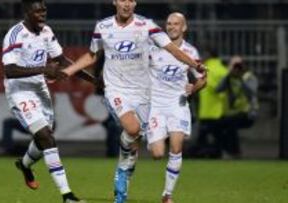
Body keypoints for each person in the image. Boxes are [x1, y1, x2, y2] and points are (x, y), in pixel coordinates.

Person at [61, 1, 205, 202]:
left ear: (135, 3)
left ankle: (122, 179)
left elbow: (172, 49)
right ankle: (125, 167)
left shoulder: (147, 26)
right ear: (115, 2)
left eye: (130, 0)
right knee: (131, 127)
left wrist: (195, 65)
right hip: (116, 89)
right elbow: (92, 55)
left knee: (135, 140)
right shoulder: (103, 26)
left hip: (144, 93)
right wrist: (69, 71)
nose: (126, 4)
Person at [1, 0, 93, 202]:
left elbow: (62, 61)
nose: (42, 14)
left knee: (44, 138)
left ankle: (24, 165)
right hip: (20, 91)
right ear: (26, 12)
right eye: (38, 11)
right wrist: (44, 69)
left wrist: (94, 80)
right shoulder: (14, 35)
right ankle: (67, 196)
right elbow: (9, 70)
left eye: (44, 10)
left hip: (40, 89)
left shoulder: (46, 32)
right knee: (46, 137)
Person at [147, 12, 206, 203]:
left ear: (184, 27)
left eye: (176, 24)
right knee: (157, 154)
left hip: (177, 104)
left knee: (176, 147)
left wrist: (194, 88)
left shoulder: (191, 52)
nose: (172, 27)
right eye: (169, 24)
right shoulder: (153, 48)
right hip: (155, 105)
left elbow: (202, 79)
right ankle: (151, 137)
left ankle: (167, 195)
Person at [216, 56, 259, 158]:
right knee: (216, 126)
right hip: (232, 114)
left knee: (231, 125)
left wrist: (241, 79)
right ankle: (226, 150)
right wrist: (228, 75)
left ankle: (235, 152)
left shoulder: (249, 77)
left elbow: (252, 92)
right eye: (234, 66)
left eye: (239, 65)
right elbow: (218, 89)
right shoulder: (228, 78)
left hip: (247, 113)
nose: (237, 69)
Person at [193, 50, 229, 158]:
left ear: (209, 55)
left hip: (207, 110)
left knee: (206, 135)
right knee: (217, 135)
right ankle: (217, 153)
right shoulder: (224, 70)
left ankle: (204, 153)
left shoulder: (207, 69)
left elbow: (211, 86)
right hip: (220, 108)